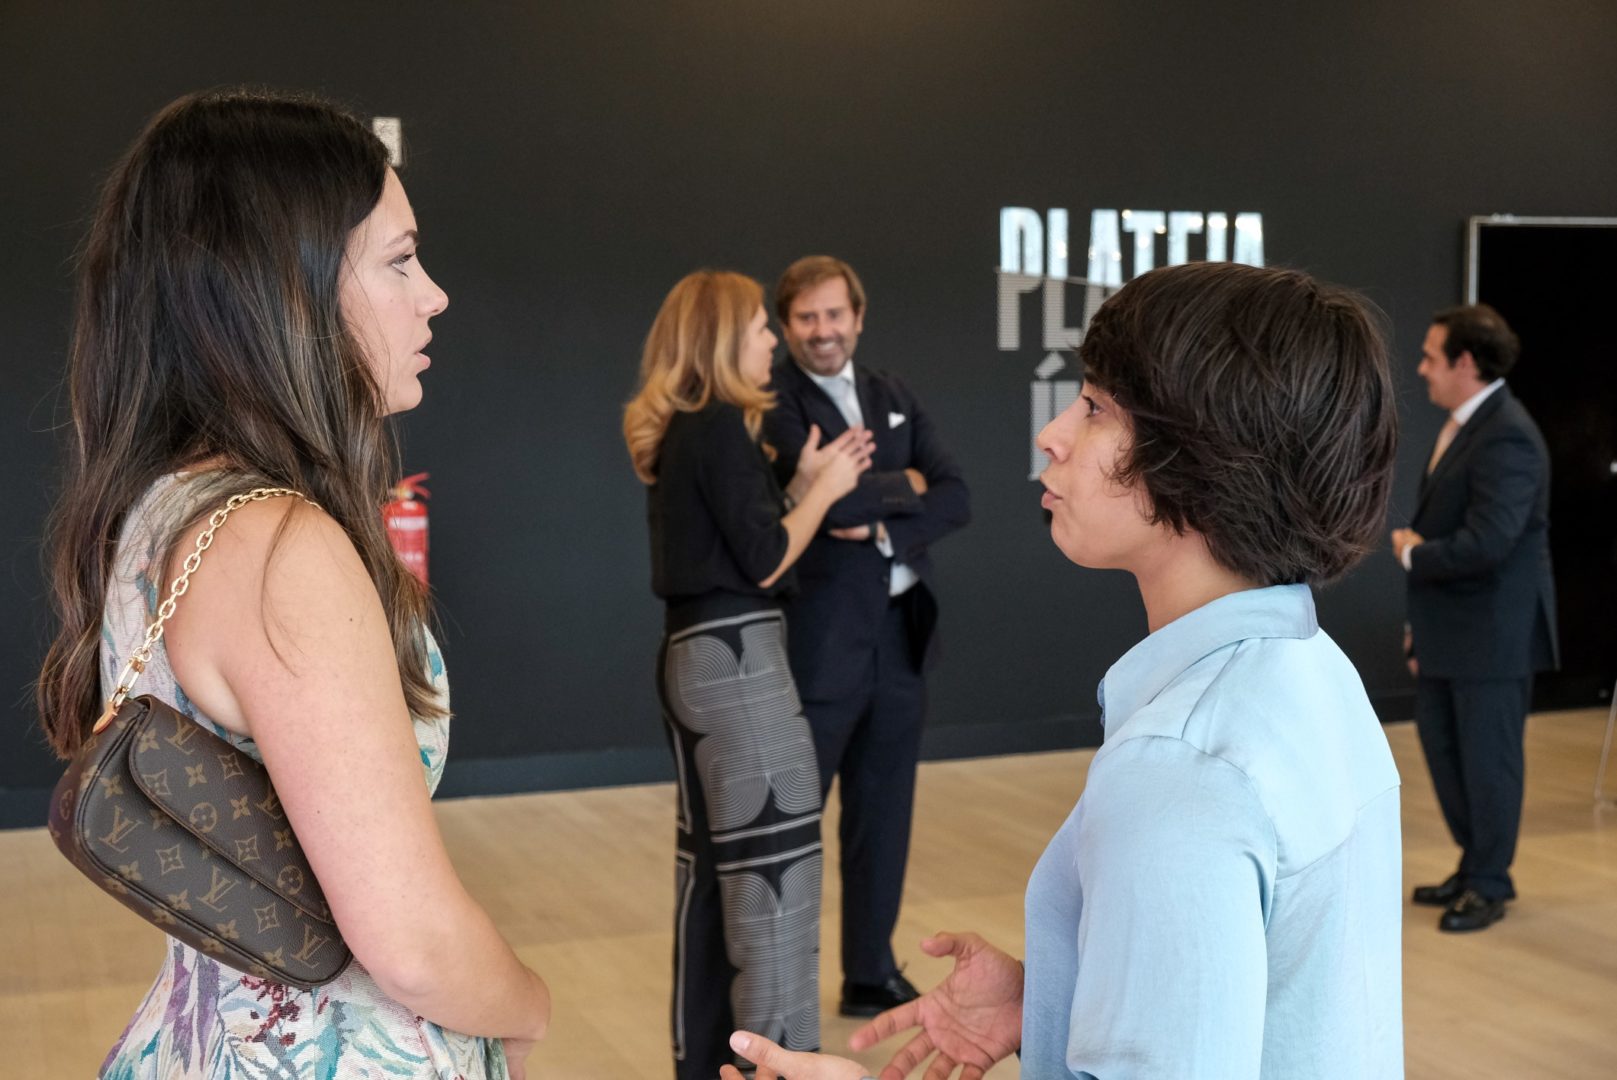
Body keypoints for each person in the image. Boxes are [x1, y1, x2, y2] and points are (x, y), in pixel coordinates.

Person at [721, 261, 1405, 1080]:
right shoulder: (1313, 670)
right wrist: (1066, 995)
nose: (1051, 434)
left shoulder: (1179, 767)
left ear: (1199, 455)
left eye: (1095, 408)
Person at [36, 90, 551, 1079]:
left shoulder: (164, 505)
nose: (434, 296)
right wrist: (528, 1008)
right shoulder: (278, 546)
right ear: (286, 289)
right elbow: (411, 943)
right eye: (399, 261)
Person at [622, 270, 874, 1080]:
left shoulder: (691, 429)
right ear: (727, 338)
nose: (773, 340)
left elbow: (737, 537)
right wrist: (826, 489)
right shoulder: (722, 425)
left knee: (713, 879)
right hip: (739, 665)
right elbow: (764, 560)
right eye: (762, 326)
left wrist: (796, 484)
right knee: (774, 880)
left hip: (697, 657)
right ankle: (777, 1066)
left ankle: (710, 1064)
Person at [762, 256, 970, 1018]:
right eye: (806, 318)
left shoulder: (892, 394)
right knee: (792, 822)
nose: (822, 331)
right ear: (786, 326)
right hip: (819, 644)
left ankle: (869, 973)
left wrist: (876, 511)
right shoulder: (774, 401)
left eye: (833, 314)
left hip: (901, 638)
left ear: (857, 316)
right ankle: (775, 987)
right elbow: (830, 505)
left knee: (882, 815)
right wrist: (903, 485)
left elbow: (954, 493)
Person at [1391, 303, 1557, 933]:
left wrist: (1414, 554)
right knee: (1447, 755)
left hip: (1491, 636)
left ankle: (1489, 881)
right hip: (1450, 632)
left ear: (1465, 362)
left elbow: (1490, 542)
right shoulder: (1470, 426)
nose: (1422, 368)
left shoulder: (1507, 433)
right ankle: (1473, 866)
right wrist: (1418, 627)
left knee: (1488, 765)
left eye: (1431, 357)